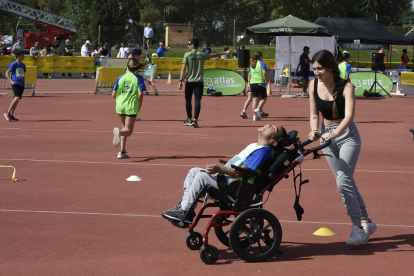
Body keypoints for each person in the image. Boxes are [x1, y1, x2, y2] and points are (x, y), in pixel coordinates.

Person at [308, 50, 376, 246]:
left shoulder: (346, 86)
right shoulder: (313, 85)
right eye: (314, 69)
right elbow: (314, 114)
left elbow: (349, 117)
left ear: (330, 67)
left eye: (320, 68)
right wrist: (314, 131)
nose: (316, 73)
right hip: (326, 137)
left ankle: (357, 228)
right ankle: (366, 223)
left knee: (343, 182)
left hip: (347, 136)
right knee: (347, 182)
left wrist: (335, 133)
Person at [161, 124, 288, 223]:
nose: (270, 125)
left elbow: (243, 171)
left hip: (238, 185)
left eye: (274, 128)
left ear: (273, 142)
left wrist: (219, 169)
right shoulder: (254, 146)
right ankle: (185, 208)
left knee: (200, 177)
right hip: (232, 179)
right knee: (193, 171)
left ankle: (184, 211)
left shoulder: (262, 152)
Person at [179, 38, 231, 128]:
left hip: (190, 81)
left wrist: (180, 80)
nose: (188, 46)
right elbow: (214, 54)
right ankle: (195, 120)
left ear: (193, 45)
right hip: (199, 81)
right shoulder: (202, 54)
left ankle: (189, 119)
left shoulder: (187, 55)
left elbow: (183, 68)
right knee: (197, 101)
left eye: (189, 44)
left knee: (188, 100)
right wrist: (225, 53)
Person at [112, 58, 146, 159]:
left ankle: (122, 151)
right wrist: (139, 105)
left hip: (120, 105)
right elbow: (140, 94)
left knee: (124, 127)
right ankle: (119, 133)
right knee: (129, 131)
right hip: (131, 106)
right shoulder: (138, 78)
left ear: (127, 65)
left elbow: (113, 94)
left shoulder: (120, 78)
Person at [4, 50, 26, 122]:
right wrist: (11, 81)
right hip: (15, 83)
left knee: (17, 100)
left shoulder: (23, 65)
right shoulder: (13, 64)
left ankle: (11, 115)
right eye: (22, 55)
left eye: (23, 55)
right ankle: (7, 112)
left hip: (21, 84)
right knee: (16, 98)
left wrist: (24, 82)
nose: (23, 56)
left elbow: (23, 75)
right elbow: (7, 73)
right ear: (18, 56)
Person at [246, 51, 268, 121]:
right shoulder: (262, 63)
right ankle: (258, 110)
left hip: (252, 83)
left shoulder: (252, 64)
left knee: (254, 100)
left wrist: (248, 83)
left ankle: (254, 116)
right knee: (264, 98)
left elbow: (249, 74)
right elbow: (264, 72)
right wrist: (265, 80)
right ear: (260, 56)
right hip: (259, 82)